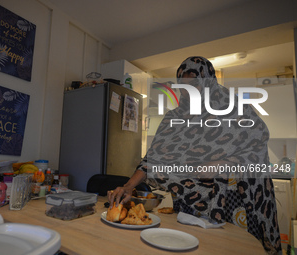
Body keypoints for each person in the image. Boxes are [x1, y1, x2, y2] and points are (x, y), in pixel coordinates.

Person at [108, 56, 281, 254]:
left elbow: (258, 141)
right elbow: (151, 160)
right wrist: (129, 186)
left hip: (232, 204)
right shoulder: (174, 119)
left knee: (229, 248)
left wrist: (224, 162)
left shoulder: (235, 109)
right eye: (184, 86)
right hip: (189, 206)